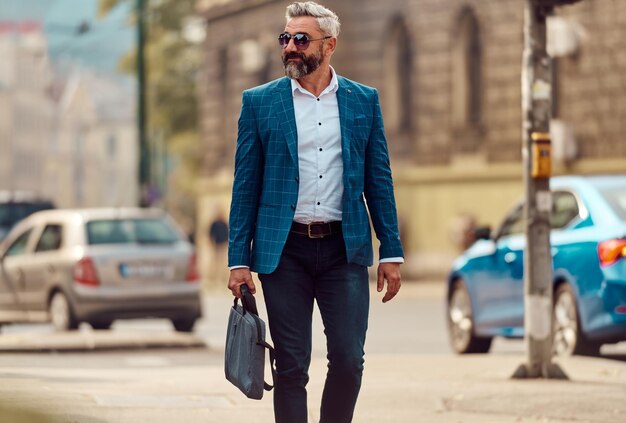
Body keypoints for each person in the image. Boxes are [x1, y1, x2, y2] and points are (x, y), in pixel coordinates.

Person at [227, 2, 404, 422]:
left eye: (301, 39)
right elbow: (245, 185)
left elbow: (379, 179)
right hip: (283, 251)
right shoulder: (260, 103)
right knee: (291, 366)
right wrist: (239, 260)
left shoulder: (363, 101)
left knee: (348, 360)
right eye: (285, 38)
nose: (290, 47)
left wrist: (391, 250)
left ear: (329, 46)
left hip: (344, 248)